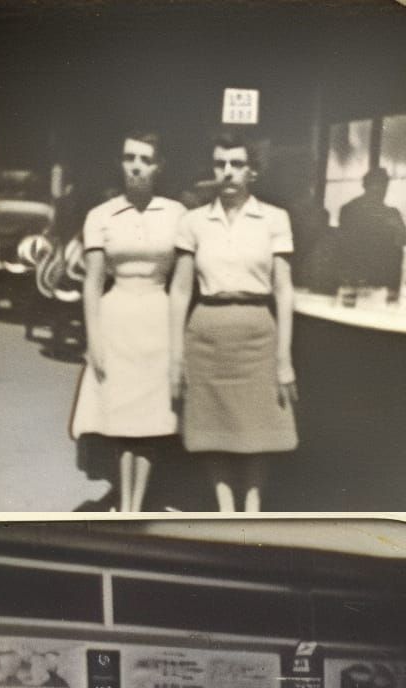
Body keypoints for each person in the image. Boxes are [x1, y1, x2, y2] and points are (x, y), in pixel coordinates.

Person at [169, 131, 298, 512]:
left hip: (258, 330)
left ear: (252, 171)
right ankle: (224, 503)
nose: (227, 172)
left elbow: (284, 290)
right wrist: (176, 357)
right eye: (220, 164)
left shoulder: (274, 219)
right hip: (205, 331)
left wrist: (284, 359)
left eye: (237, 164)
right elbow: (179, 290)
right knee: (212, 422)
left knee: (259, 424)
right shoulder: (193, 222)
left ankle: (253, 503)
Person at [70, 131, 184, 512]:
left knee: (151, 419)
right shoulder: (101, 216)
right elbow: (92, 283)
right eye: (129, 158)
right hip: (116, 319)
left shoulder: (176, 214)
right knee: (120, 418)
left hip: (158, 319)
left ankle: (137, 502)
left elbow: (186, 279)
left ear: (158, 166)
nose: (135, 166)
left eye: (144, 159)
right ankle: (125, 500)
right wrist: (94, 341)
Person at [337, 166, 406, 291]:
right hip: (357, 273)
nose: (380, 191)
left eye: (383, 186)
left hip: (384, 275)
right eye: (376, 186)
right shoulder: (350, 210)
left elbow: (405, 243)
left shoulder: (391, 213)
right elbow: (345, 245)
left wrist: (398, 228)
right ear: (365, 186)